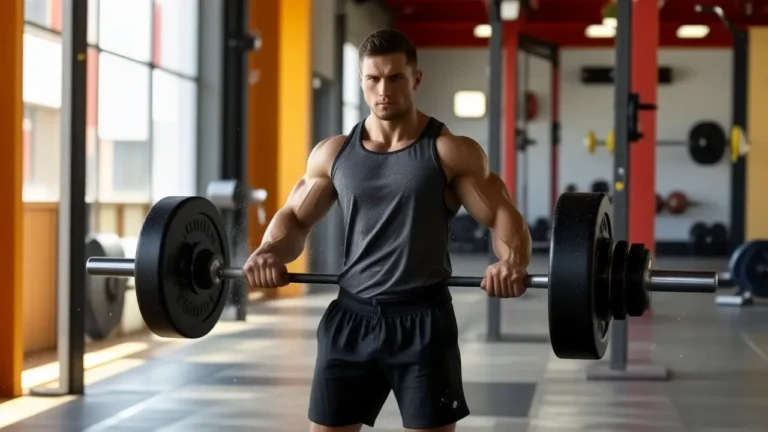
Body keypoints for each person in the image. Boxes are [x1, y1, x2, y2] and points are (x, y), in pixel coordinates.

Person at [243, 29, 532, 432]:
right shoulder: (334, 154)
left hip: (423, 323)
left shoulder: (449, 151)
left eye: (395, 77)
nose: (383, 90)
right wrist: (270, 251)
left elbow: (503, 213)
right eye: (373, 79)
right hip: (350, 317)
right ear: (361, 81)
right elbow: (294, 217)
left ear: (415, 79)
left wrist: (511, 262)